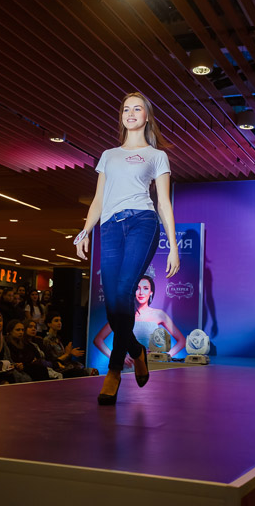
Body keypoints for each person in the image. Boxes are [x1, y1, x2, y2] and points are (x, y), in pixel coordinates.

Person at [75, 92, 180, 404]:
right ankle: (136, 349)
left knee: (124, 291)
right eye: (126, 109)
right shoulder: (108, 155)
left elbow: (163, 202)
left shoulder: (156, 156)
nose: (131, 113)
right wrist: (85, 231)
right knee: (113, 301)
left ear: (146, 116)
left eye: (137, 109)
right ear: (121, 116)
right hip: (109, 227)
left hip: (142, 223)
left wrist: (173, 246)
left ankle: (114, 371)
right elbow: (98, 199)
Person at [94, 275, 186, 365]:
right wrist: (118, 357)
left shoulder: (159, 314)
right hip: (129, 366)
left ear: (151, 292)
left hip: (151, 365)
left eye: (145, 288)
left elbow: (182, 341)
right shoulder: (124, 314)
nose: (141, 292)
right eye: (137, 288)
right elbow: (98, 340)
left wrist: (164, 357)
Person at [43, 311, 91, 378]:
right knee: (80, 371)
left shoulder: (58, 338)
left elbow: (64, 356)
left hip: (65, 364)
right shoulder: (47, 340)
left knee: (84, 368)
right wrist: (67, 354)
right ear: (49, 324)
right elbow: (52, 361)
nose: (59, 323)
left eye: (60, 321)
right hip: (57, 368)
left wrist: (70, 353)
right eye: (56, 321)